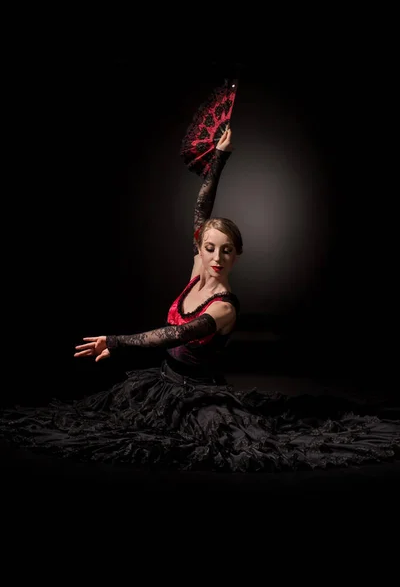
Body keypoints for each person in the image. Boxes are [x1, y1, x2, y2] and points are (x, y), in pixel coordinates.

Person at [1, 128, 400, 472]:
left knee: (211, 448)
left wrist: (116, 342)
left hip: (199, 395)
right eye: (210, 248)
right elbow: (201, 209)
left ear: (237, 255)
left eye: (226, 251)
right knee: (90, 421)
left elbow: (173, 335)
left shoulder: (224, 306)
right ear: (201, 249)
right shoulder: (197, 270)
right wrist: (219, 159)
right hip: (160, 383)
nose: (215, 257)